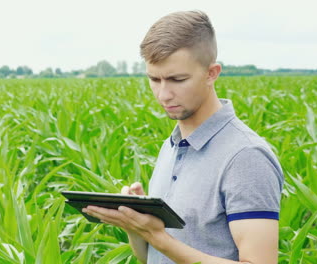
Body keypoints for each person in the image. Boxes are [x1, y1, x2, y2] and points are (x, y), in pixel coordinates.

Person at [82, 10, 284, 264]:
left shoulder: (245, 157)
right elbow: (153, 257)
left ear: (212, 73)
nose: (163, 94)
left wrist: (159, 238)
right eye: (154, 79)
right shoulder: (173, 145)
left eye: (177, 79)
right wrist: (137, 228)